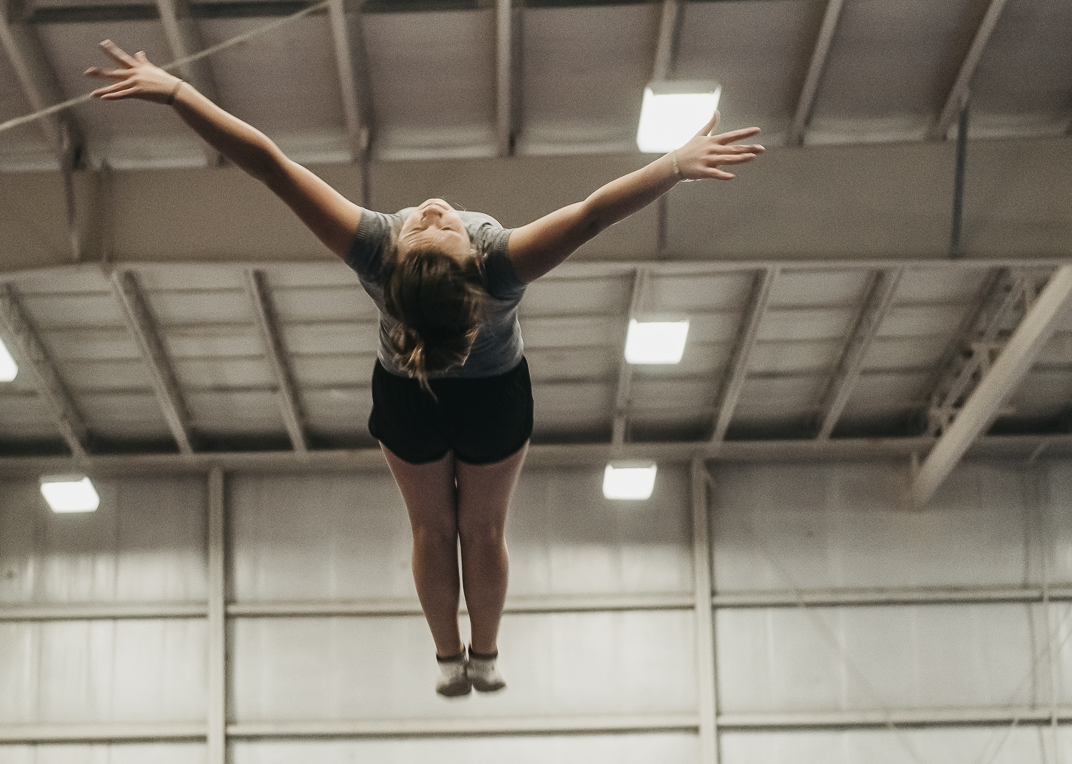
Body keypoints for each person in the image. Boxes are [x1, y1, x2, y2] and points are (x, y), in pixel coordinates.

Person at [86, 40, 763, 697]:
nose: (433, 214)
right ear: (470, 264)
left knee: (442, 527)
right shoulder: (499, 262)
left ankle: (455, 657)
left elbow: (270, 166)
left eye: (425, 227)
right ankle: (477, 654)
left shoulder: (375, 249)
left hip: (408, 394)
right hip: (495, 395)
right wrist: (672, 164)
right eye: (432, 228)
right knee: (474, 528)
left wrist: (179, 93)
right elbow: (588, 217)